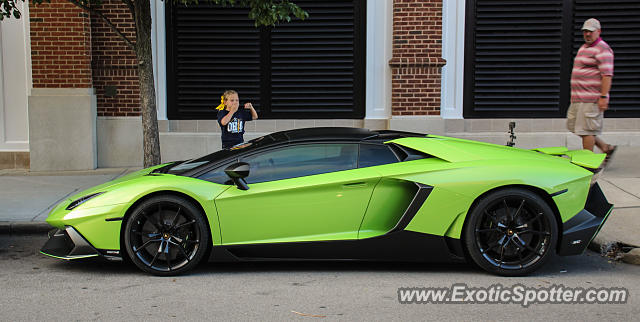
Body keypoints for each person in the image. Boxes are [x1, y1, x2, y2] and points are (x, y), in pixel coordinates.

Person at [567, 18, 616, 163]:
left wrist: (603, 97)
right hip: (578, 98)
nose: (587, 34)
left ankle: (588, 164)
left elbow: (607, 75)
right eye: (585, 31)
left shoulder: (603, 49)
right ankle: (605, 147)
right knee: (577, 127)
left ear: (598, 31)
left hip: (591, 99)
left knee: (587, 130)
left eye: (590, 31)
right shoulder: (585, 47)